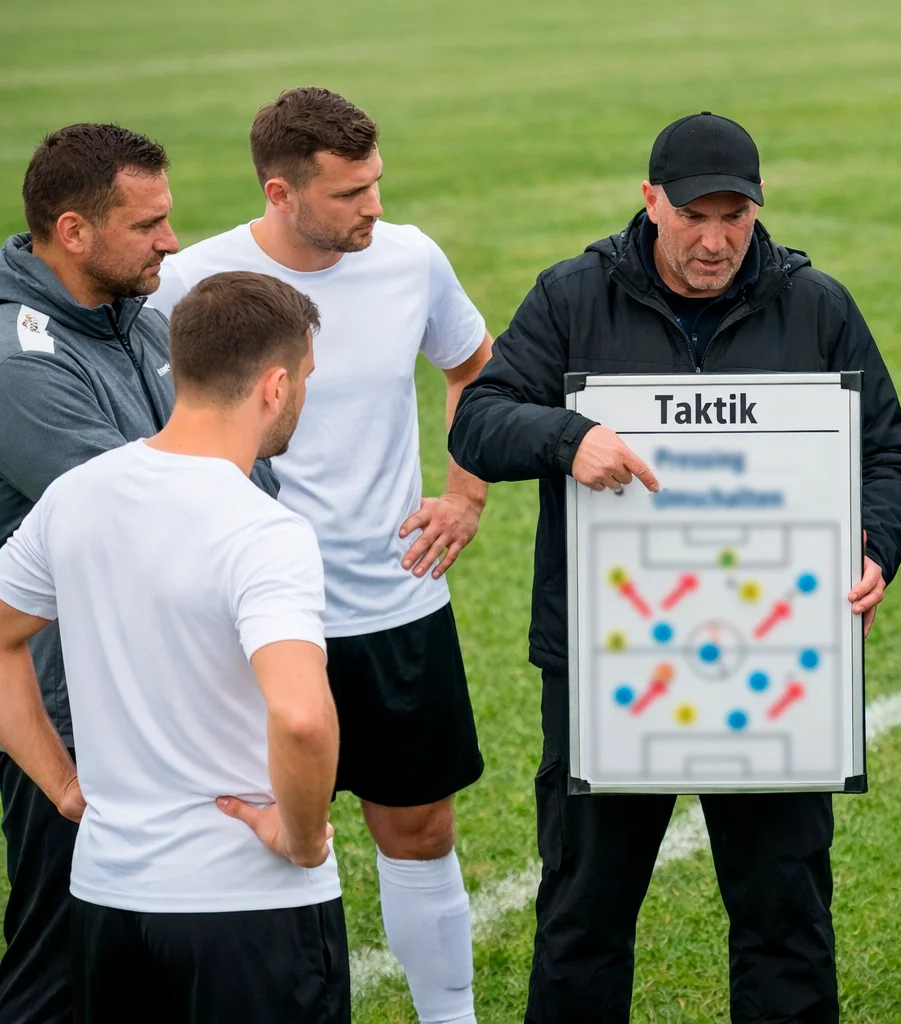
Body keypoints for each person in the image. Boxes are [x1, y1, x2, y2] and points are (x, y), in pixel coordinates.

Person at [448, 111, 901, 1024]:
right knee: (585, 911)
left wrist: (873, 546)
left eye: (735, 218)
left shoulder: (815, 304)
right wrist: (567, 435)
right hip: (611, 661)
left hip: (776, 659)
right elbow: (479, 419)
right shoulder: (571, 297)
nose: (715, 242)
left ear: (758, 208)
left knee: (785, 910)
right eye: (694, 216)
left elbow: (886, 457)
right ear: (649, 201)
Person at [147, 87, 493, 1024]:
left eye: (376, 183)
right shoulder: (194, 287)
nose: (374, 208)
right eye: (349, 195)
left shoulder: (412, 258)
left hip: (395, 602)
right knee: (253, 839)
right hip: (248, 616)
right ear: (280, 192)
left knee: (419, 831)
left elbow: (472, 366)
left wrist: (464, 491)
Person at [0, 271, 347, 1022]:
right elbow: (302, 717)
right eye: (307, 380)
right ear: (276, 385)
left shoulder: (76, 496)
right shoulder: (265, 531)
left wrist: (62, 784)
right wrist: (300, 836)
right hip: (249, 907)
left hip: (106, 897)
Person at [0, 123, 277, 1023]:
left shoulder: (146, 319)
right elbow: (133, 512)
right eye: (148, 223)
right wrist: (216, 470)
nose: (171, 240)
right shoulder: (17, 359)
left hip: (174, 697)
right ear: (73, 231)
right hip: (75, 711)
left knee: (153, 964)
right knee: (56, 962)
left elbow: (257, 472)